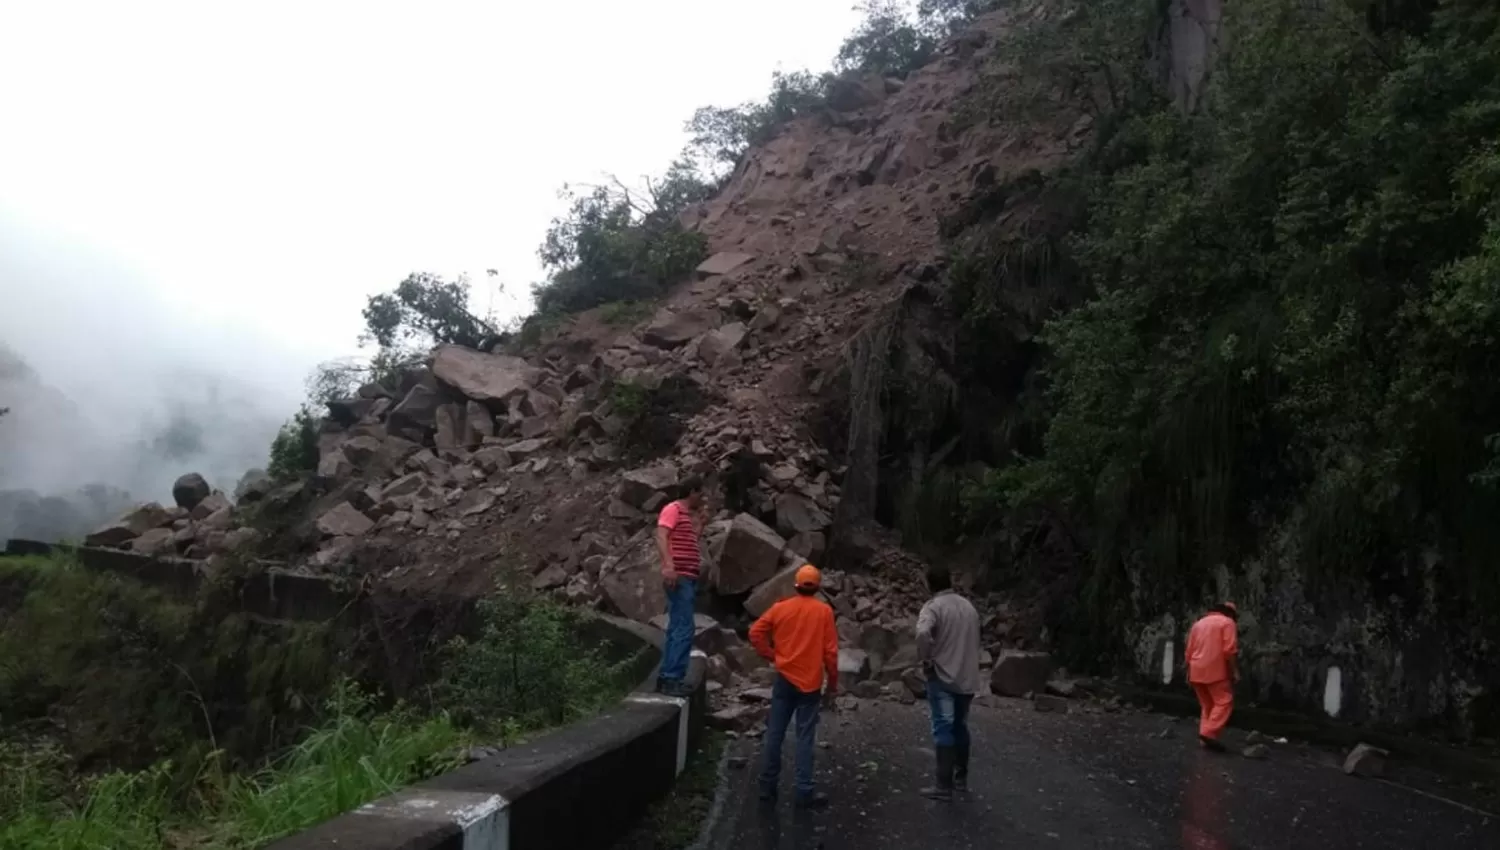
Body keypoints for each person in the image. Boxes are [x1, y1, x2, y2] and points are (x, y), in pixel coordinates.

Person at [749, 564, 840, 809]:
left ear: (796, 585)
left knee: (775, 734)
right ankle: (803, 791)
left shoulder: (781, 608)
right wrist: (832, 684)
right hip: (810, 684)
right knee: (805, 737)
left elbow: (755, 632)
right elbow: (831, 654)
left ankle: (767, 788)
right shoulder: (824, 612)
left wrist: (771, 655)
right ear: (818, 588)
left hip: (784, 679)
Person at [915, 565, 982, 801]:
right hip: (967, 676)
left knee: (943, 727)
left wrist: (926, 660)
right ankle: (960, 779)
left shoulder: (933, 607)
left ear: (929, 584)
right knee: (960, 726)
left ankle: (943, 786)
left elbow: (923, 633)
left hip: (943, 676)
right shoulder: (969, 607)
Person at [655, 477, 706, 697]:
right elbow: (662, 535)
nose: (701, 498)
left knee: (677, 626)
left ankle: (668, 676)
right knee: (685, 627)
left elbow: (689, 541)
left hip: (686, 576)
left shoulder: (685, 515)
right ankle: (672, 678)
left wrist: (701, 525)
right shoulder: (673, 509)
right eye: (700, 494)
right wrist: (668, 566)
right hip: (680, 576)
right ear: (691, 492)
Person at [1185, 602, 1240, 752]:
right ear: (1230, 614)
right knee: (1224, 701)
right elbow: (1229, 650)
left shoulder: (1198, 624)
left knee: (1207, 705)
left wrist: (1188, 672)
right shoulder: (1227, 623)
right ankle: (1208, 733)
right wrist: (1235, 671)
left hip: (1196, 669)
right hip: (1215, 670)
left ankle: (1206, 738)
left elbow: (1189, 651)